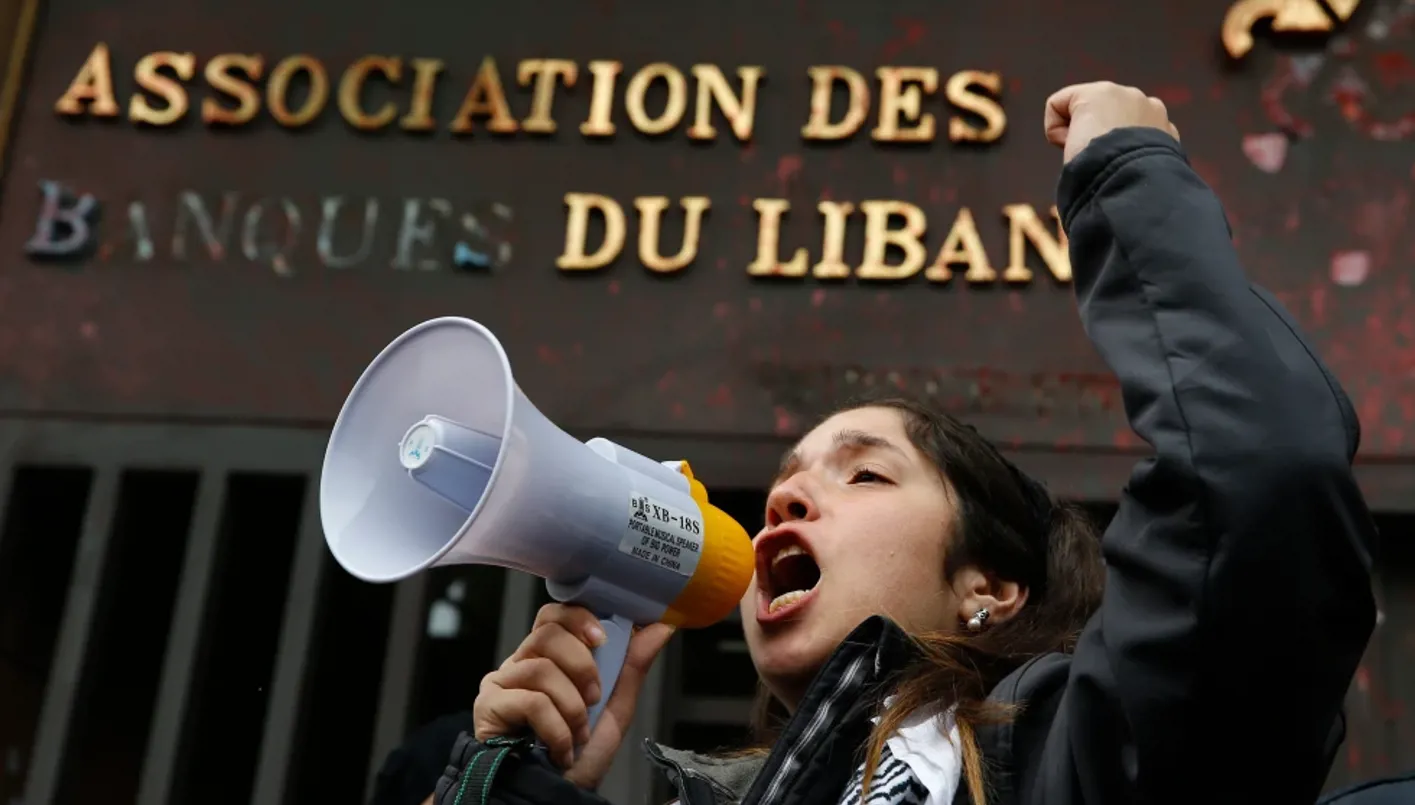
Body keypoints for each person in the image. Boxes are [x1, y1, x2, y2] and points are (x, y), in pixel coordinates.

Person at [426, 82, 1379, 805]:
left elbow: (1260, 473)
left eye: (866, 473)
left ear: (988, 588)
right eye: (787, 481)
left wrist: (1129, 178)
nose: (784, 499)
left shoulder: (1082, 757)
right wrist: (511, 782)